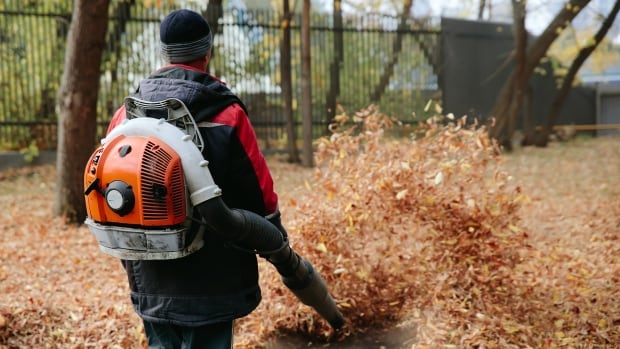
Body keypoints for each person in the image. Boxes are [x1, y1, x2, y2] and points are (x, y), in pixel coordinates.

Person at [106, 9, 282, 349]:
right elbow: (260, 194)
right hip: (216, 276)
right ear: (207, 52)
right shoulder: (227, 113)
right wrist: (275, 232)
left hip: (150, 272)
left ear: (164, 53)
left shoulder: (125, 116)